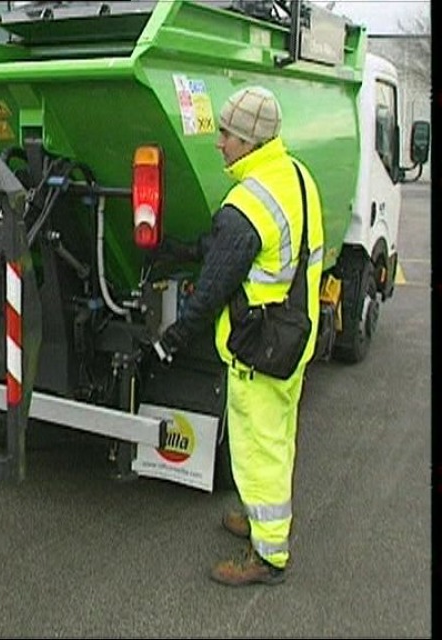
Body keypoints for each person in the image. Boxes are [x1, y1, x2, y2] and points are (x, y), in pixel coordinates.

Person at [155, 86, 324, 586]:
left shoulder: (248, 202)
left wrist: (173, 338)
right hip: (294, 337)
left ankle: (268, 556)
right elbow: (230, 248)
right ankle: (259, 519)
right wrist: (184, 249)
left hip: (258, 349)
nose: (219, 143)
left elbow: (212, 289)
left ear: (250, 141)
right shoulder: (296, 176)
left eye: (227, 134)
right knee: (279, 439)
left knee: (257, 450)